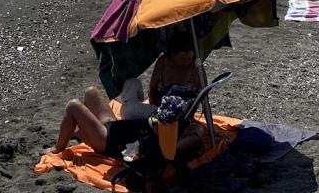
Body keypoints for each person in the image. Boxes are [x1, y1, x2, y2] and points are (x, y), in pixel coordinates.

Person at [46, 32, 203, 158]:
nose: (186, 62)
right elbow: (154, 91)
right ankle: (82, 132)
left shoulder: (173, 137)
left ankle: (58, 148)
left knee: (73, 105)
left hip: (107, 140)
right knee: (91, 92)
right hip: (114, 125)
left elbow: (179, 148)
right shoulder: (170, 119)